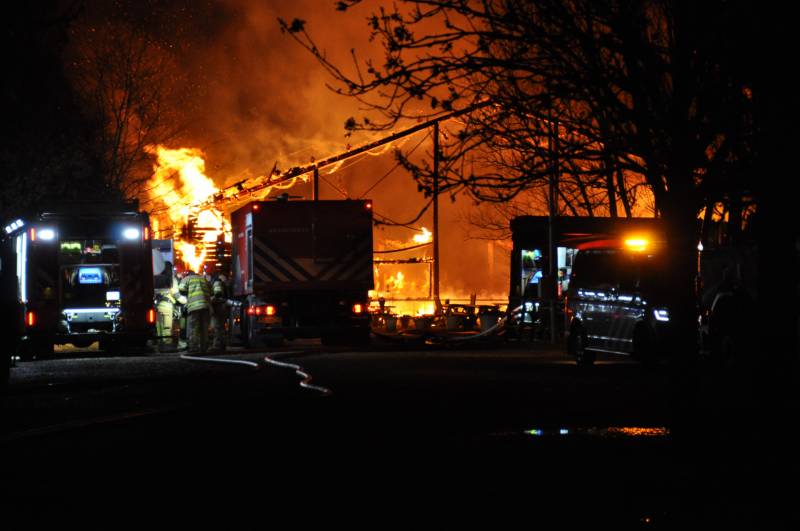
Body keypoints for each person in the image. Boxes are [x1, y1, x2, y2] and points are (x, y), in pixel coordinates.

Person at [178, 268, 213, 353]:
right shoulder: (203, 279)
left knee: (193, 327)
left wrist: (188, 292)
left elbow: (181, 289)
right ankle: (204, 347)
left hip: (194, 307)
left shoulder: (187, 278)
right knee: (204, 328)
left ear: (188, 274)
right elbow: (211, 290)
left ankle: (193, 347)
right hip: (205, 306)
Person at [210, 272, 229, 351]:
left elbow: (218, 294)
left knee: (217, 327)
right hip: (222, 307)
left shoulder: (217, 283)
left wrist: (210, 299)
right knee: (221, 327)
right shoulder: (223, 284)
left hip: (218, 307)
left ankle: (217, 346)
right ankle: (222, 344)